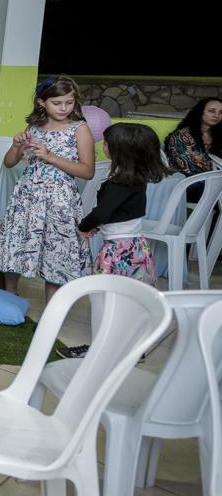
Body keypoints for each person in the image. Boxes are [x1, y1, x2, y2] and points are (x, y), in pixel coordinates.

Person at [57, 123, 171, 359]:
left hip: (117, 252)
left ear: (120, 151)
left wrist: (84, 226)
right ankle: (134, 348)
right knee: (130, 299)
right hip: (136, 247)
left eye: (106, 143)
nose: (102, 145)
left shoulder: (117, 183)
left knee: (102, 298)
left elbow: (102, 212)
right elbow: (122, 212)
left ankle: (100, 350)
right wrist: (99, 225)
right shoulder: (138, 178)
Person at [0, 75, 95, 302]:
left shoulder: (80, 129)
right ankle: (10, 297)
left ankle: (51, 311)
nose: (64, 108)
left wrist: (50, 156)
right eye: (57, 103)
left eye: (69, 102)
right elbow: (9, 163)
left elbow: (87, 171)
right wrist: (16, 146)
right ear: (41, 102)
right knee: (16, 242)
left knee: (56, 251)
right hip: (27, 195)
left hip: (60, 198)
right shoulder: (34, 127)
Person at [164, 97, 222, 201]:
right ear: (200, 112)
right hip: (188, 184)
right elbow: (191, 168)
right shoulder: (181, 136)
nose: (216, 115)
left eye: (221, 112)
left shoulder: (218, 135)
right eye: (212, 111)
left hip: (215, 183)